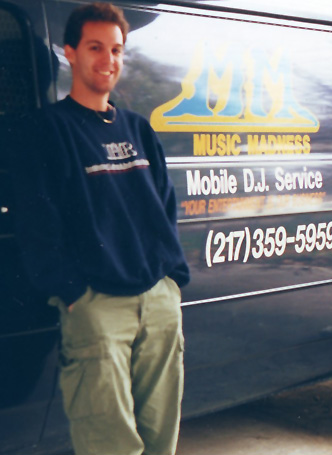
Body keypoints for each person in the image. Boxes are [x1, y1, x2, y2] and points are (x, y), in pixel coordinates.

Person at [7, 3, 190, 455]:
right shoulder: (46, 130)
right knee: (108, 442)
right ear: (70, 53)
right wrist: (72, 292)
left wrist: (171, 279)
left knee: (161, 438)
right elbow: (36, 221)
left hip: (158, 303)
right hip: (97, 307)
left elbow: (165, 207)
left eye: (116, 49)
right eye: (95, 48)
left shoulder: (138, 129)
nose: (107, 60)